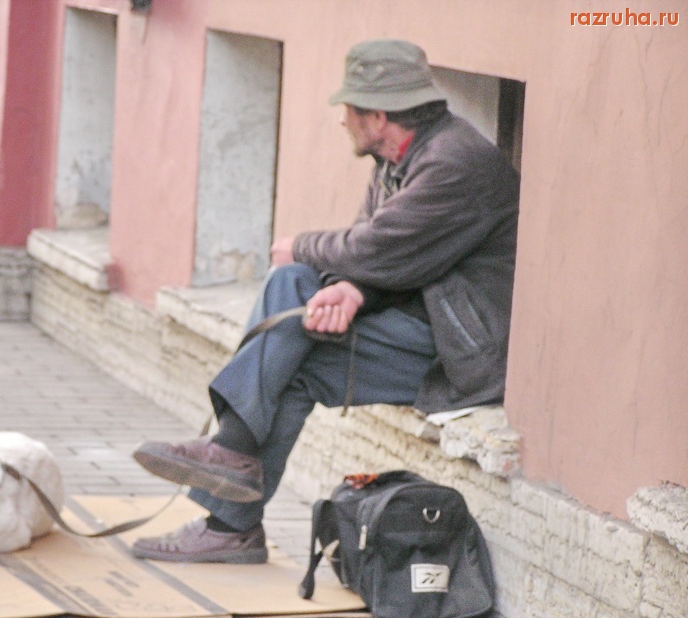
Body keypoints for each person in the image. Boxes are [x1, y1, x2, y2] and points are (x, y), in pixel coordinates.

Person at [130, 39, 520, 564]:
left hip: (462, 350)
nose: (342, 121)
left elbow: (374, 247)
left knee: (291, 278)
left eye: (348, 109)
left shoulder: (455, 163)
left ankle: (232, 470)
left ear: (377, 115)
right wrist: (351, 287)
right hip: (420, 321)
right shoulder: (398, 157)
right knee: (294, 354)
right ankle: (231, 516)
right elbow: (388, 251)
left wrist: (304, 246)